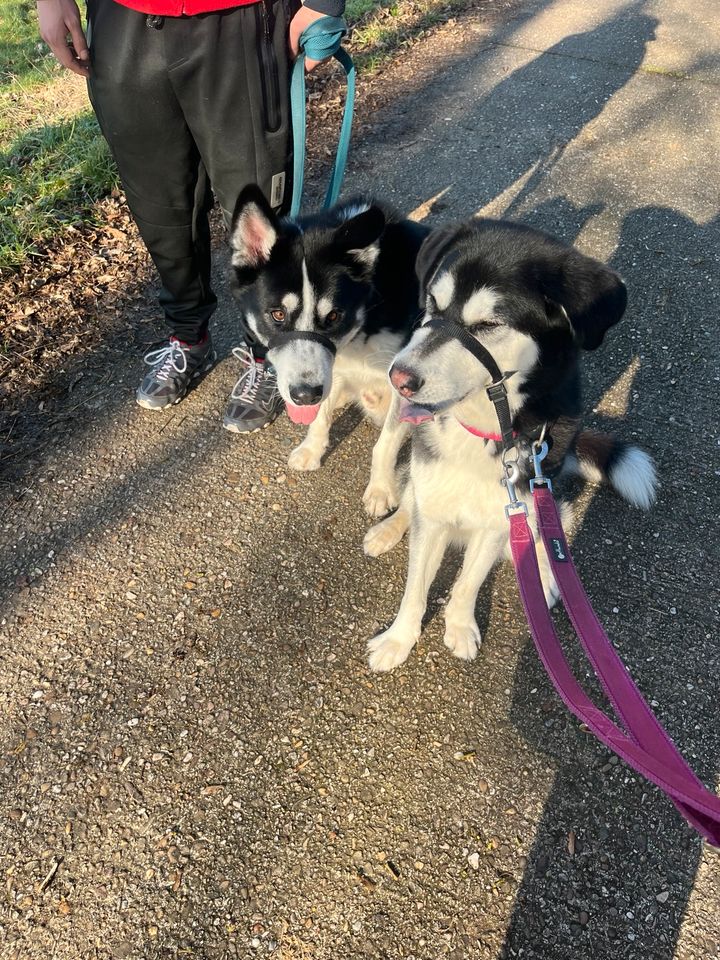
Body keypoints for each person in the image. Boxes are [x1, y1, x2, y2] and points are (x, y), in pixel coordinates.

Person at [36, 0, 341, 432]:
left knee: (259, 217)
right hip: (124, 22)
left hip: (245, 20)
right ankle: (188, 337)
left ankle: (268, 352)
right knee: (160, 207)